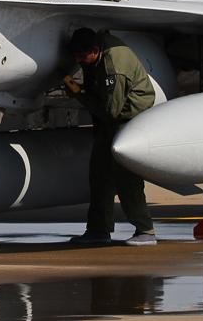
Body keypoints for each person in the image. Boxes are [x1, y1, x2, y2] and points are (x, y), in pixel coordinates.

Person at [67, 27, 157, 246]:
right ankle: (98, 229)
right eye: (76, 57)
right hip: (110, 120)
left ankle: (145, 230)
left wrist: (78, 94)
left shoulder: (113, 69)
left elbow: (110, 111)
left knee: (125, 176)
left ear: (95, 51)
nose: (79, 61)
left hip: (129, 117)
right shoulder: (94, 56)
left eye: (82, 56)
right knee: (99, 174)